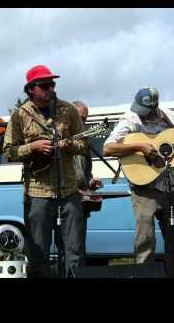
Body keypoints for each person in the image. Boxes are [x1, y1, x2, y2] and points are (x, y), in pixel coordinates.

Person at [103, 87, 174, 277]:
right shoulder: (130, 119)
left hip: (170, 187)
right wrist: (140, 146)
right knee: (145, 241)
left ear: (155, 106)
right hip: (143, 188)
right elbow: (108, 148)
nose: (143, 114)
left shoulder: (169, 118)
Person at [3, 65, 87, 278]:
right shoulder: (19, 115)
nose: (50, 88)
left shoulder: (68, 110)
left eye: (52, 84)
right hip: (37, 192)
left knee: (74, 252)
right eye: (44, 85)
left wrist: (69, 146)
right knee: (38, 252)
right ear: (31, 89)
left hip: (68, 190)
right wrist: (33, 147)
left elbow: (84, 144)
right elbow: (8, 151)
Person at [72, 101, 103, 257]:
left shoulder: (85, 141)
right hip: (65, 202)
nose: (82, 122)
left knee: (79, 246)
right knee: (68, 245)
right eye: (79, 118)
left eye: (85, 119)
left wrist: (92, 182)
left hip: (81, 203)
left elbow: (87, 173)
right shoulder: (57, 138)